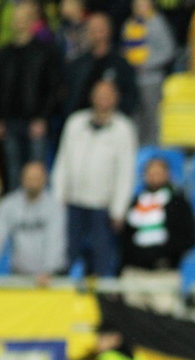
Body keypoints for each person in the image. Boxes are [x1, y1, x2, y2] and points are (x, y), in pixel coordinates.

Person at [52, 79, 138, 277]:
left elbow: (126, 171)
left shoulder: (123, 128)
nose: (103, 100)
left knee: (102, 261)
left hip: (103, 206)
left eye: (107, 95)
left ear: (115, 99)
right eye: (99, 94)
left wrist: (119, 208)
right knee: (66, 257)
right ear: (92, 96)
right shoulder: (75, 122)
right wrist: (58, 197)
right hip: (72, 202)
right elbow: (62, 161)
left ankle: (102, 302)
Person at [121, 157, 195, 314]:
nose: (154, 177)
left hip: (164, 274)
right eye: (150, 173)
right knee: (133, 323)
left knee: (163, 327)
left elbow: (188, 239)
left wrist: (163, 254)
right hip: (136, 273)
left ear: (167, 175)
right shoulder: (135, 203)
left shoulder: (178, 203)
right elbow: (125, 238)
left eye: (158, 173)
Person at [0, 1, 61, 194]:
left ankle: (39, 218)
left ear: (33, 21)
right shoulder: (5, 53)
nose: (20, 23)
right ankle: (15, 220)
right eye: (17, 19)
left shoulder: (44, 52)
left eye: (25, 19)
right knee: (13, 171)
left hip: (35, 122)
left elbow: (53, 88)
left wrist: (43, 117)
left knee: (37, 171)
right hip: (10, 122)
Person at [0, 161, 66, 285]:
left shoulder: (54, 207)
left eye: (36, 178)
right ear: (22, 179)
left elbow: (55, 240)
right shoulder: (9, 205)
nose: (32, 183)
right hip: (19, 273)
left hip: (49, 278)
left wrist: (48, 270)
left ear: (44, 180)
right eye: (29, 178)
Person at [62, 11, 138, 119]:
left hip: (113, 122)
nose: (96, 33)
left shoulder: (121, 64)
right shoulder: (77, 65)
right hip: (83, 123)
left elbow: (130, 96)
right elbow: (71, 98)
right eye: (92, 29)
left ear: (109, 30)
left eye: (100, 29)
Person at [121, 0, 176, 145]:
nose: (139, 8)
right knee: (135, 115)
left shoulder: (157, 23)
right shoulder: (130, 24)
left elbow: (168, 51)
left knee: (151, 116)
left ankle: (151, 147)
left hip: (152, 79)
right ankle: (135, 145)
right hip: (132, 79)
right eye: (137, 5)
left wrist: (146, 64)